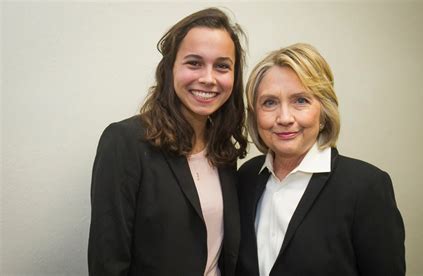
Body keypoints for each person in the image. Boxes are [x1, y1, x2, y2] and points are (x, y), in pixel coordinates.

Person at [88, 8, 247, 276]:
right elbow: (108, 262)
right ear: (170, 68)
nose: (208, 78)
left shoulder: (224, 152)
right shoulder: (125, 143)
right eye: (194, 63)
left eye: (222, 66)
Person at [236, 43, 405, 276]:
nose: (284, 118)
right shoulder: (245, 177)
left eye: (301, 100)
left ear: (324, 111)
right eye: (270, 102)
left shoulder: (367, 187)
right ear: (255, 115)